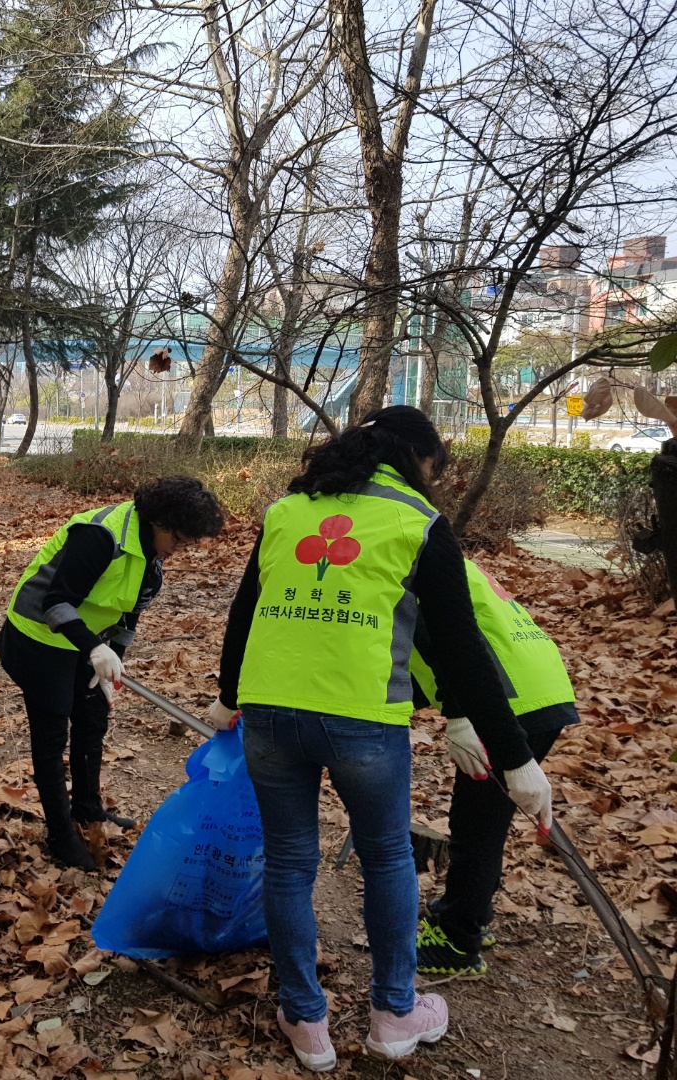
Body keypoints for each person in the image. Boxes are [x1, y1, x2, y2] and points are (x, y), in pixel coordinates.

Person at [215, 405, 554, 1072]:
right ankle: (394, 1015)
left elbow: (246, 610)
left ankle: (306, 1023)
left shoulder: (288, 511)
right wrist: (517, 760)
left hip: (271, 713)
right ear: (415, 460)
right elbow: (463, 650)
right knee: (388, 859)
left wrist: (229, 694)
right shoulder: (417, 522)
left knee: (289, 862)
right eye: (435, 467)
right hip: (363, 719)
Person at [0, 476, 225, 870]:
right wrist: (95, 648)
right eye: (182, 540)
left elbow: (128, 614)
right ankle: (60, 834)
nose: (182, 550)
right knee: (52, 737)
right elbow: (55, 602)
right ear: (161, 523)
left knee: (92, 722)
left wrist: (112, 659)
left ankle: (88, 808)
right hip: (39, 639)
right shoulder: (101, 537)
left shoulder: (152, 556)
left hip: (87, 643)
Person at [409, 558, 579, 977]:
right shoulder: (438, 551)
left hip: (503, 697)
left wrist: (459, 711)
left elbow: (443, 641)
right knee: (487, 820)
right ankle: (470, 912)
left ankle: (457, 940)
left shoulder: (399, 561)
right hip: (540, 681)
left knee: (475, 828)